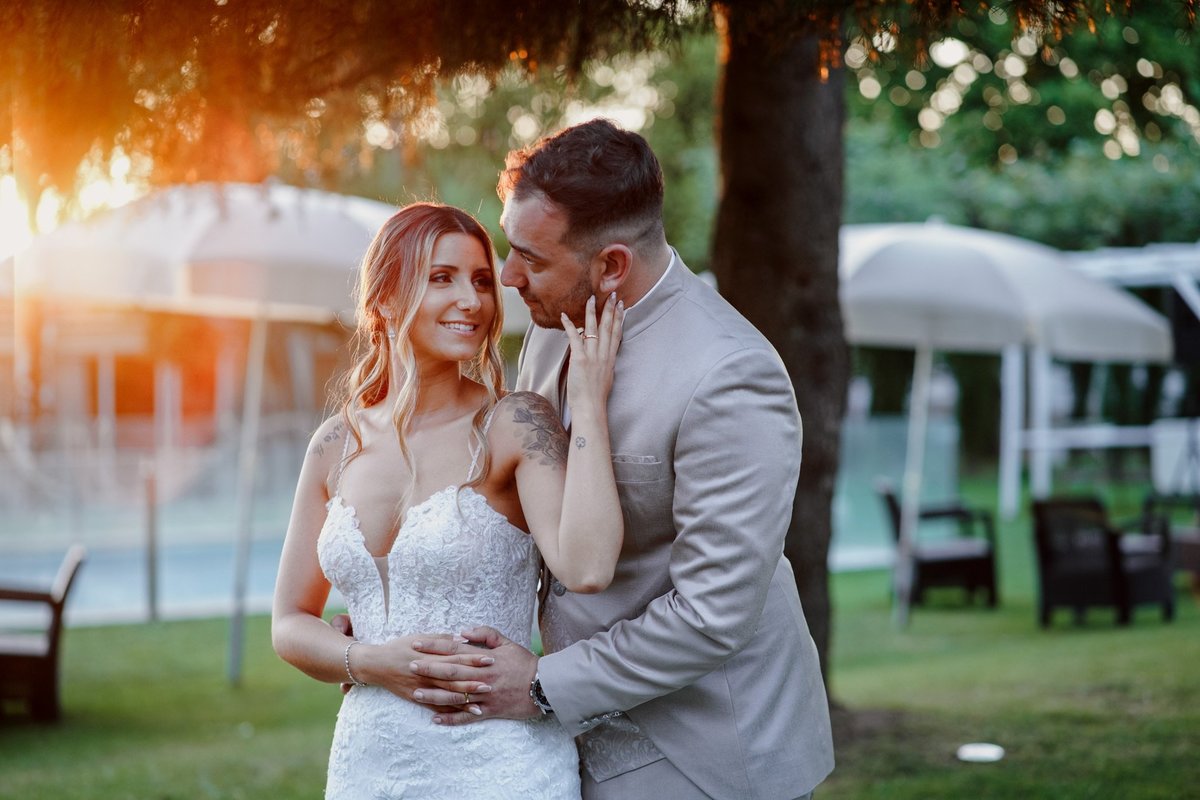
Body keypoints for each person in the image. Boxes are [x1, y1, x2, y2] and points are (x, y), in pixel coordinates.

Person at [407, 119, 836, 798]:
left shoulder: (730, 374)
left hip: (703, 749)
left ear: (610, 265)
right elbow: (533, 512)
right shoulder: (550, 333)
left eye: (533, 259)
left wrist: (543, 684)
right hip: (563, 739)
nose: (509, 276)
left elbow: (711, 614)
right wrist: (400, 610)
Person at [271, 201, 625, 799]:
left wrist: (589, 404)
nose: (473, 300)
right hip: (366, 767)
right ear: (384, 298)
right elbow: (289, 622)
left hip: (498, 764)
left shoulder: (513, 424)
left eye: (482, 281)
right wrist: (373, 662)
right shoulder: (335, 444)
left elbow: (587, 567)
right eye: (443, 278)